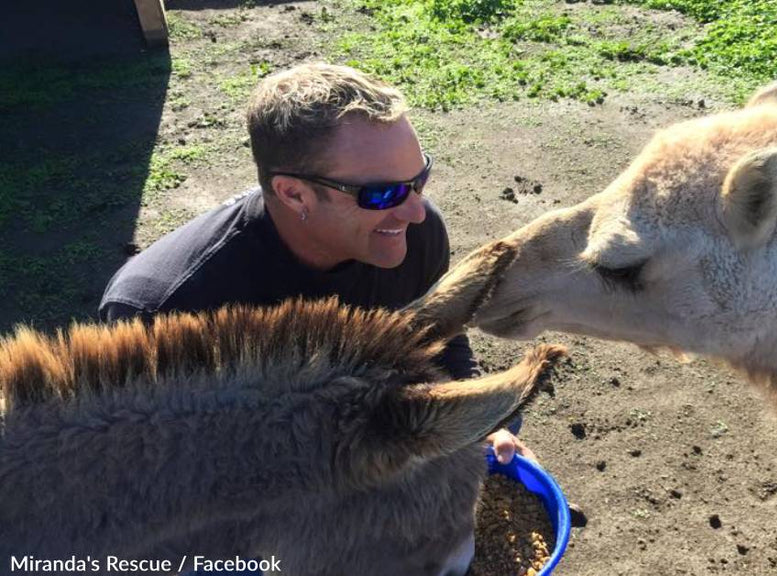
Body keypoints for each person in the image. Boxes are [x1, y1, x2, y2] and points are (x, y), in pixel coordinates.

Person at [99, 62, 530, 463]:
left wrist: (480, 423)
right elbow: (155, 467)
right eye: (381, 194)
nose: (415, 211)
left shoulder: (415, 233)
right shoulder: (159, 310)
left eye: (419, 180)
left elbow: (440, 340)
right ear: (294, 194)